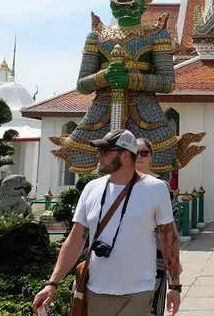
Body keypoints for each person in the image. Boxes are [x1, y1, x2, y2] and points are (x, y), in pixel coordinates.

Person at [31, 129, 182, 316]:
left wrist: (174, 286)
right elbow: (76, 238)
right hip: (96, 291)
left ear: (125, 155)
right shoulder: (91, 188)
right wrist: (52, 283)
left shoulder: (155, 188)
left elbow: (169, 240)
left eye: (105, 152)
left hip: (139, 291)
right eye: (99, 151)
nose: (99, 156)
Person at [135, 138, 183, 315]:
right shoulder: (119, 186)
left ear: (151, 156)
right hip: (127, 258)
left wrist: (175, 279)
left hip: (156, 259)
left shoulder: (160, 187)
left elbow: (170, 232)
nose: (139, 156)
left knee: (152, 308)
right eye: (135, 152)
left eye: (144, 152)